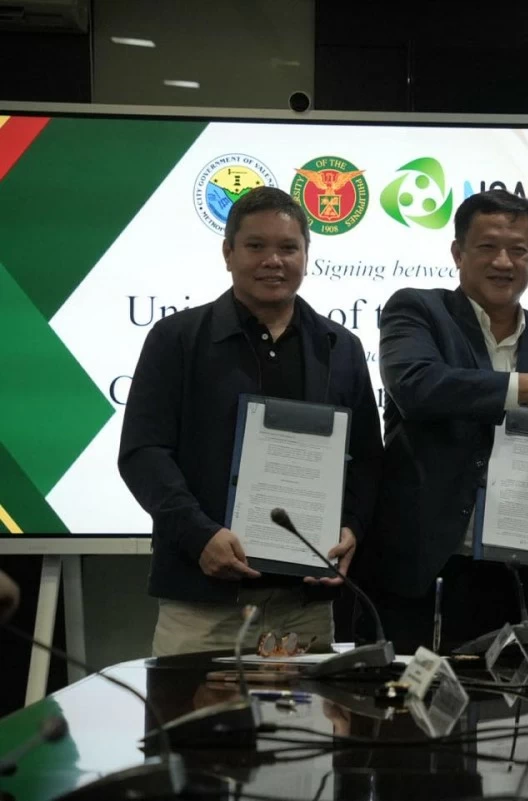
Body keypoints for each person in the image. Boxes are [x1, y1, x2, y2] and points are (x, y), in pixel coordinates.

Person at [118, 187, 382, 656]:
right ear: (228, 253)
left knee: (303, 731)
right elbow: (143, 454)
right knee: (193, 728)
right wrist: (201, 535)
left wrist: (352, 529)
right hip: (201, 605)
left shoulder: (340, 347)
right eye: (255, 246)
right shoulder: (177, 339)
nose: (273, 261)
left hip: (306, 605)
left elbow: (365, 460)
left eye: (288, 248)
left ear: (306, 255)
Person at [366, 189, 528, 653]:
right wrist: (523, 387)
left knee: (511, 718)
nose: (503, 261)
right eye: (486, 247)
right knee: (402, 716)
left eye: (518, 250)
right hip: (423, 569)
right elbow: (417, 388)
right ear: (458, 253)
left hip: (516, 571)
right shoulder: (417, 310)